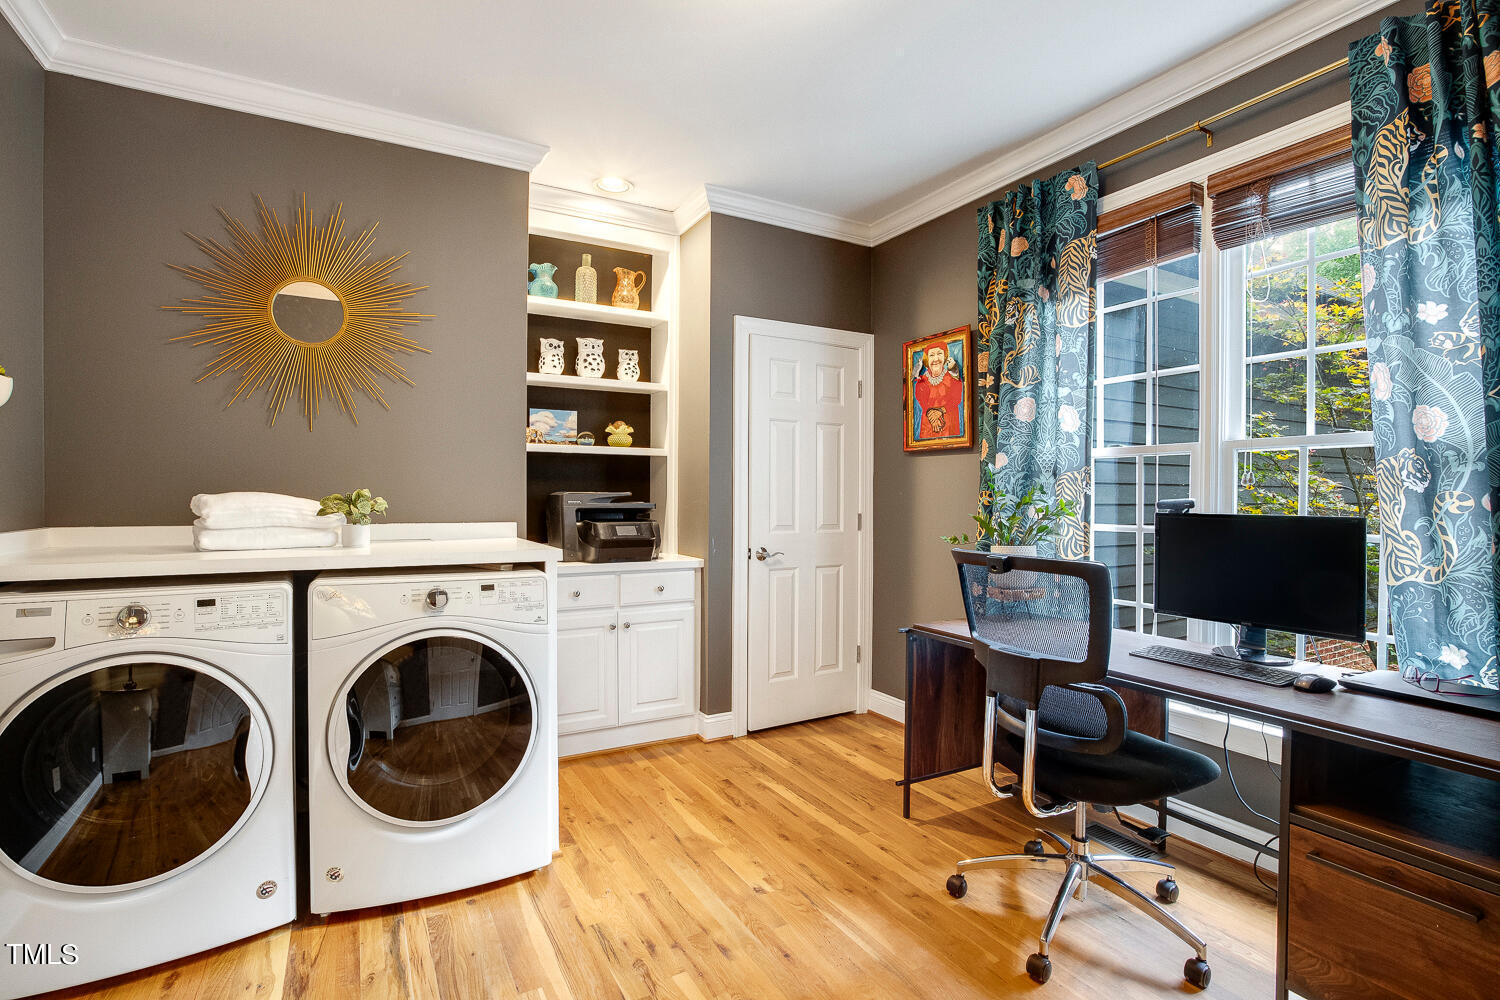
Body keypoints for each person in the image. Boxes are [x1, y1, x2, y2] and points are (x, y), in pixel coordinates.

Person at [913, 343, 963, 439]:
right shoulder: (921, 380)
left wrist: (940, 411)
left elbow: (956, 399)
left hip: (949, 427)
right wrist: (932, 417)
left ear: (945, 356)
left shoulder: (952, 377)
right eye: (932, 355)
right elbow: (921, 400)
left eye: (939, 354)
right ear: (927, 359)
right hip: (928, 427)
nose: (936, 359)